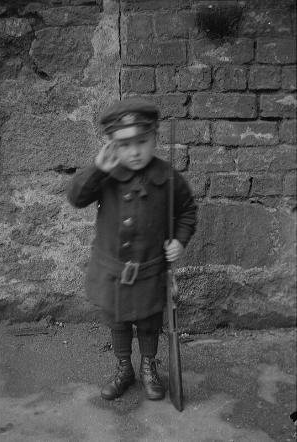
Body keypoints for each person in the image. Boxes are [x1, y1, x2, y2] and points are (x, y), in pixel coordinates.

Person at [67, 97, 197, 401]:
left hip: (150, 271)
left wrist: (179, 239)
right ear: (111, 145)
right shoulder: (106, 175)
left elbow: (188, 211)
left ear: (155, 138)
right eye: (125, 144)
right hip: (112, 272)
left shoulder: (169, 178)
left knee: (149, 323)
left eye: (142, 141)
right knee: (118, 321)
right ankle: (123, 367)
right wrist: (97, 169)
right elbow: (76, 197)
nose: (135, 151)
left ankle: (148, 366)